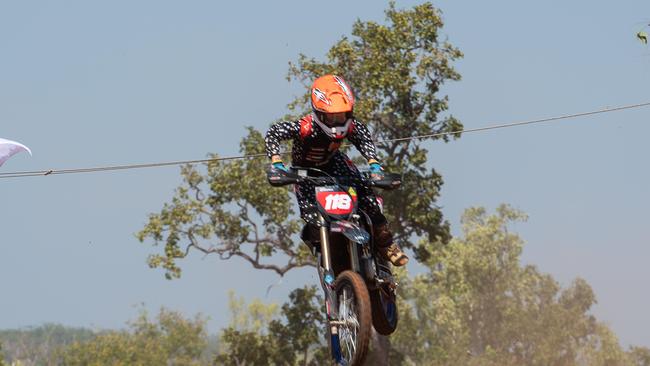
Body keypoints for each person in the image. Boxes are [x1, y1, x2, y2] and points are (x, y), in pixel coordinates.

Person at [264, 74, 408, 266]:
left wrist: (374, 164)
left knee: (368, 197)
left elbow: (363, 138)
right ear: (319, 112)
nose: (338, 121)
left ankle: (386, 244)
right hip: (304, 172)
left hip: (335, 164)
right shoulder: (305, 127)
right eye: (332, 117)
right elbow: (274, 132)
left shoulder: (352, 126)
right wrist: (277, 163)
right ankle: (324, 258)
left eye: (342, 116)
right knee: (311, 216)